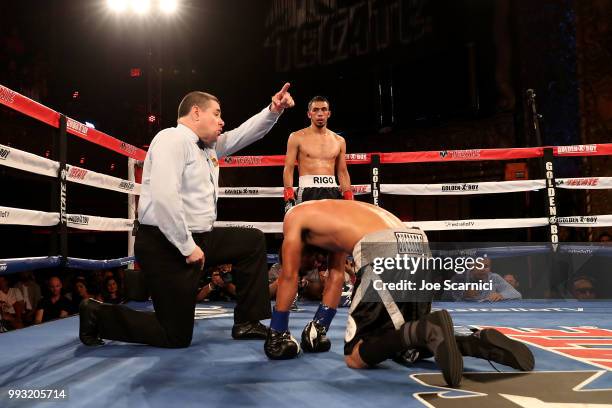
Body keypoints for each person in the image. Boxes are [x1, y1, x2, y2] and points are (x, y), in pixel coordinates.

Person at [79, 84, 295, 348]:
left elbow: (242, 135)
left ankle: (248, 321)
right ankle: (96, 315)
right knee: (175, 335)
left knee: (251, 241)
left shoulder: (206, 148)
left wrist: (273, 110)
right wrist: (186, 246)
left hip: (198, 238)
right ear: (195, 113)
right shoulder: (171, 140)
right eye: (216, 114)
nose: (221, 121)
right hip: (166, 244)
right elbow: (164, 198)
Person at [264, 200, 534, 388]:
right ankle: (475, 343)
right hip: (417, 243)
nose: (313, 269)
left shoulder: (293, 218)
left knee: (357, 356)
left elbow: (288, 276)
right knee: (403, 350)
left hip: (383, 249)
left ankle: (425, 330)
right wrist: (319, 328)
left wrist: (277, 333)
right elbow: (336, 276)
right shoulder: (332, 217)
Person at [281, 96, 354, 352]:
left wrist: (349, 200)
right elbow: (289, 167)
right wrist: (288, 197)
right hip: (307, 194)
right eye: (316, 110)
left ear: (329, 112)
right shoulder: (297, 137)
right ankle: (280, 326)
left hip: (333, 195)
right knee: (297, 259)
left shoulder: (339, 141)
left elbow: (342, 171)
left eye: (324, 109)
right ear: (309, 113)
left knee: (337, 261)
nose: (320, 113)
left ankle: (319, 326)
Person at [445, 258, 522, 302]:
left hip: (487, 316)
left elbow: (517, 295)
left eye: (486, 266)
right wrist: (464, 293)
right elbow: (444, 298)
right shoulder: (460, 277)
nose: (482, 269)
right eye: (479, 265)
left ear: (490, 267)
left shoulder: (494, 277)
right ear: (472, 266)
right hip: (465, 316)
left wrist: (501, 295)